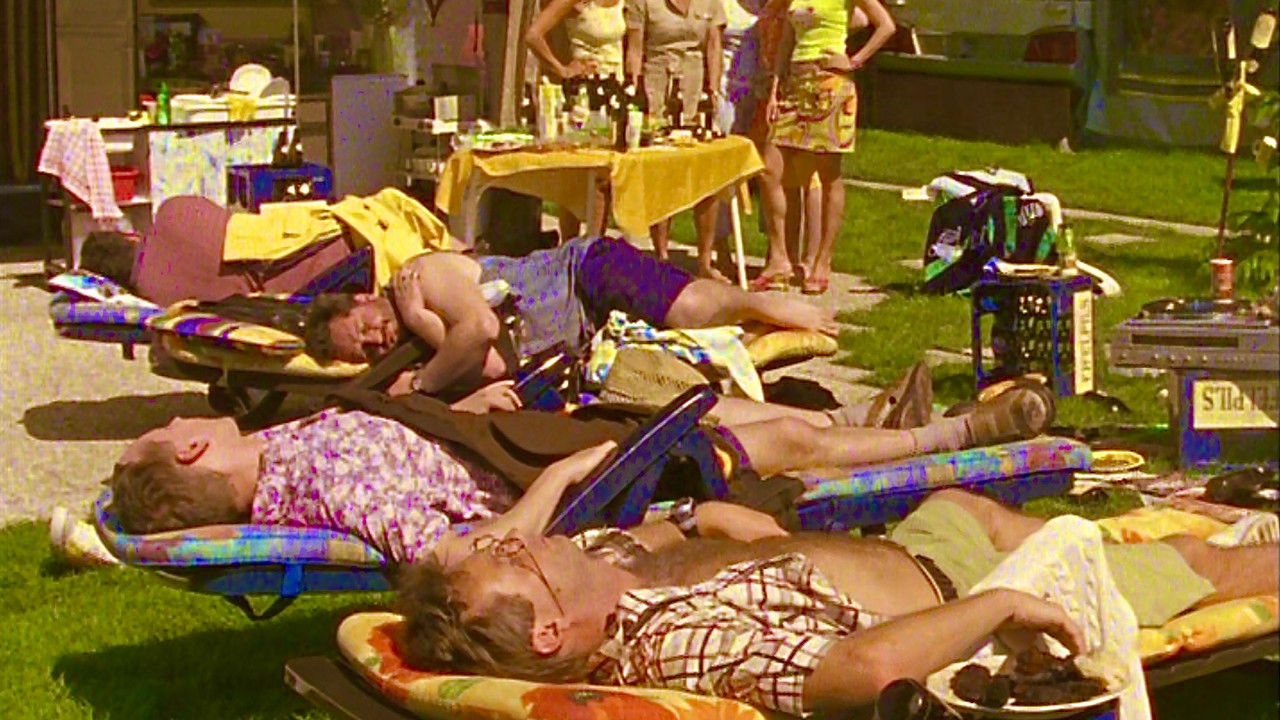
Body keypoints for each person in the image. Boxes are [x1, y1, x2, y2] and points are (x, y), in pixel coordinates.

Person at [397, 487, 1278, 716]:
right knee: (1196, 567)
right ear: (550, 631)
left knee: (966, 506)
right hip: (965, 600)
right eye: (510, 560)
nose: (517, 540)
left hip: (925, 547)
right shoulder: (674, 644)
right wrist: (1004, 604)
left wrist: (695, 518)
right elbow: (866, 666)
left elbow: (659, 534)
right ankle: (1223, 552)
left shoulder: (599, 563)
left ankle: (1173, 539)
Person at [105, 369, 1052, 566]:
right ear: (191, 450)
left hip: (520, 436)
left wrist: (463, 409)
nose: (184, 412)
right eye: (174, 423)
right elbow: (462, 556)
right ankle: (957, 434)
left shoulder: (290, 450)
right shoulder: (327, 484)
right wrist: (562, 481)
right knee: (777, 445)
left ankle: (879, 419)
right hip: (586, 478)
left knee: (736, 409)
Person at [303, 236, 839, 396]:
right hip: (589, 328)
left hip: (585, 272)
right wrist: (421, 325)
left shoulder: (420, 276)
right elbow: (494, 364)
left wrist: (422, 383)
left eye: (364, 328)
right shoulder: (419, 324)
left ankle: (769, 303)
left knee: (690, 309)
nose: (376, 339)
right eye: (365, 350)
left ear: (362, 299)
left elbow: (483, 329)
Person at [774, 0, 894, 294]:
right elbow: (787, 40)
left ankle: (822, 260)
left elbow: (886, 25)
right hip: (796, 82)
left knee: (828, 171)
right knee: (787, 170)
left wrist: (854, 60)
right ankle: (787, 260)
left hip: (830, 81)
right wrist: (776, 86)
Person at [625, 0, 729, 279]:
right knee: (662, 172)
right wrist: (633, 88)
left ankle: (705, 261)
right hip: (657, 83)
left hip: (694, 85)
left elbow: (714, 46)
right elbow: (635, 47)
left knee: (705, 171)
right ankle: (661, 256)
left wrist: (713, 89)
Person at [524, 0, 625, 241]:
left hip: (613, 92)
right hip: (585, 95)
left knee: (605, 176)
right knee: (578, 175)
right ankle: (570, 245)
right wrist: (562, 69)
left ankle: (594, 245)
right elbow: (533, 35)